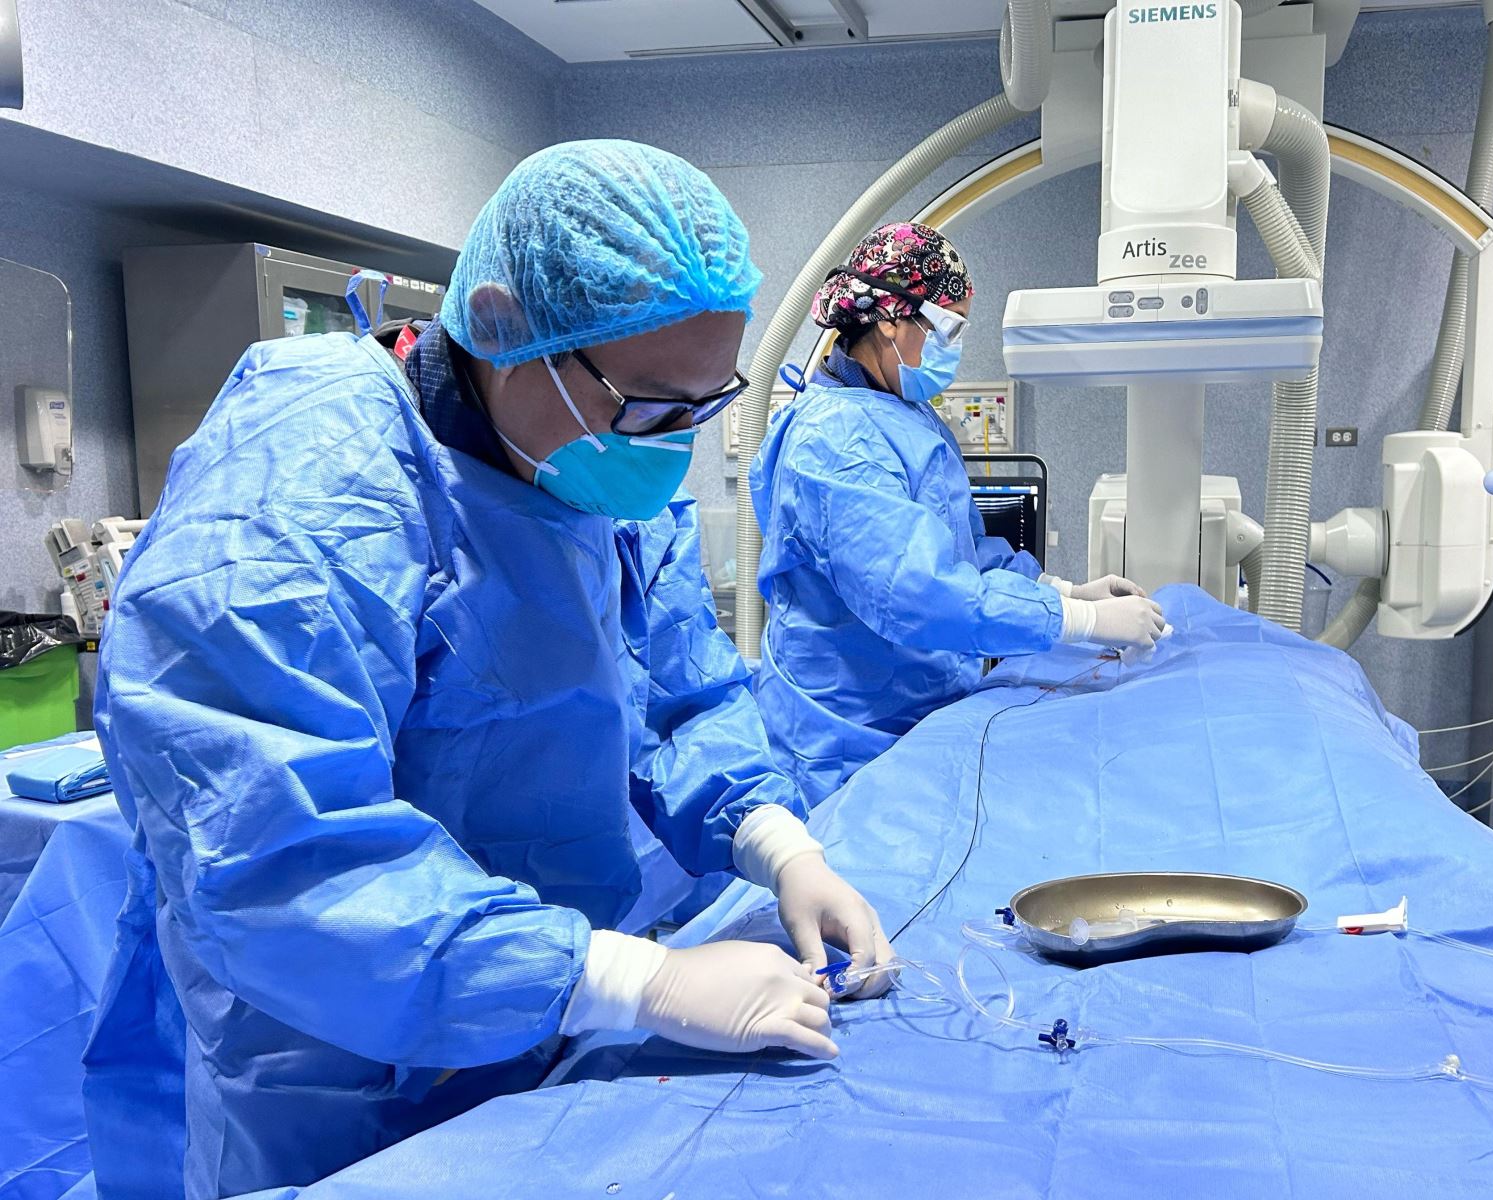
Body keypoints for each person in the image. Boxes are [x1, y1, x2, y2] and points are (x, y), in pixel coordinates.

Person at [85, 141, 891, 1200]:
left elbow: (674, 688)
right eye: (653, 408)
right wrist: (629, 978)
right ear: (508, 331)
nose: (674, 447)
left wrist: (780, 847)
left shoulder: (591, 467)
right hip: (336, 1064)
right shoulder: (302, 488)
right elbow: (280, 859)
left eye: (704, 408)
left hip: (554, 1018)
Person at [749, 222, 1171, 807]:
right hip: (848, 737)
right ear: (890, 318)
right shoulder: (836, 441)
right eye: (946, 327)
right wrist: (1077, 621)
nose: (953, 347)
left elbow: (962, 554)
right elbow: (919, 592)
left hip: (917, 711)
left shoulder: (904, 414)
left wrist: (1065, 587)